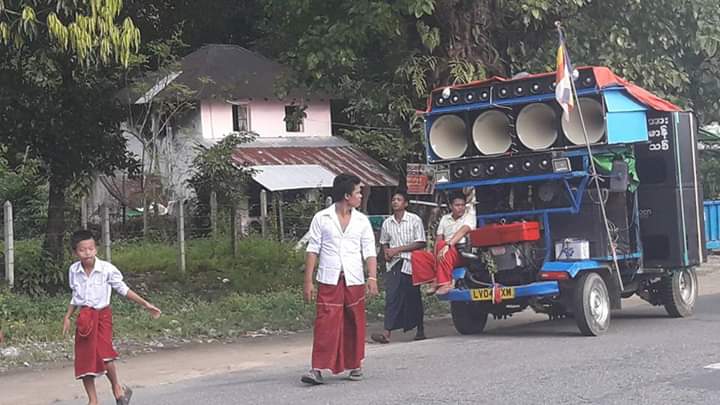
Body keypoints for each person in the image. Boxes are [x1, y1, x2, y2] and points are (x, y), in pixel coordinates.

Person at [63, 230, 161, 405]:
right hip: (84, 319)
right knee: (85, 359)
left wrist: (145, 304)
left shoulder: (106, 269)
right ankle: (93, 400)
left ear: (96, 249)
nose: (87, 253)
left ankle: (117, 387)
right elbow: (76, 297)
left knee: (105, 354)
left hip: (102, 317)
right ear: (75, 253)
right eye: (82, 250)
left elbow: (123, 289)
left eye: (91, 248)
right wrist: (68, 317)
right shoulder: (74, 270)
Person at [301, 173, 379, 385]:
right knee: (325, 322)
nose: (360, 196)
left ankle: (355, 364)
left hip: (354, 279)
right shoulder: (322, 218)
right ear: (347, 195)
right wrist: (308, 281)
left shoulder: (362, 221)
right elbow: (313, 250)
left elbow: (369, 251)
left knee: (354, 321)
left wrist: (372, 277)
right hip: (329, 278)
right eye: (358, 192)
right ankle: (317, 368)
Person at [371, 190, 427, 344]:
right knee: (392, 296)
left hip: (411, 262)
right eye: (394, 199)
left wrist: (398, 249)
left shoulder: (414, 220)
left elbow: (421, 242)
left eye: (399, 199)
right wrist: (386, 252)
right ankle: (387, 332)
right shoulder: (387, 223)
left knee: (413, 296)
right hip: (394, 264)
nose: (395, 202)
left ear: (405, 203)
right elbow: (384, 242)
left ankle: (420, 329)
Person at [411, 191, 476, 295]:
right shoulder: (445, 218)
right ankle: (434, 280)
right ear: (451, 206)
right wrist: (436, 255)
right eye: (457, 205)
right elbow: (438, 238)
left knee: (442, 245)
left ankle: (445, 283)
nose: (460, 208)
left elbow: (463, 230)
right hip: (443, 251)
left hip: (460, 252)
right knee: (417, 255)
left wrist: (448, 245)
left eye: (462, 205)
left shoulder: (469, 217)